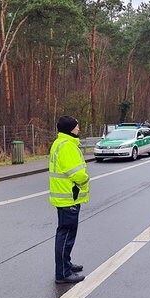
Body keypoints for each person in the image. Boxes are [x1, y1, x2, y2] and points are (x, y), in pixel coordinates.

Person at [49, 115, 90, 283]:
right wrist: (85, 179)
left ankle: (66, 263)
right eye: (76, 126)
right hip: (68, 198)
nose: (78, 129)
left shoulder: (61, 143)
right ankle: (63, 273)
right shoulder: (67, 146)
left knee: (65, 234)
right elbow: (77, 173)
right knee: (66, 236)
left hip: (64, 197)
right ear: (70, 129)